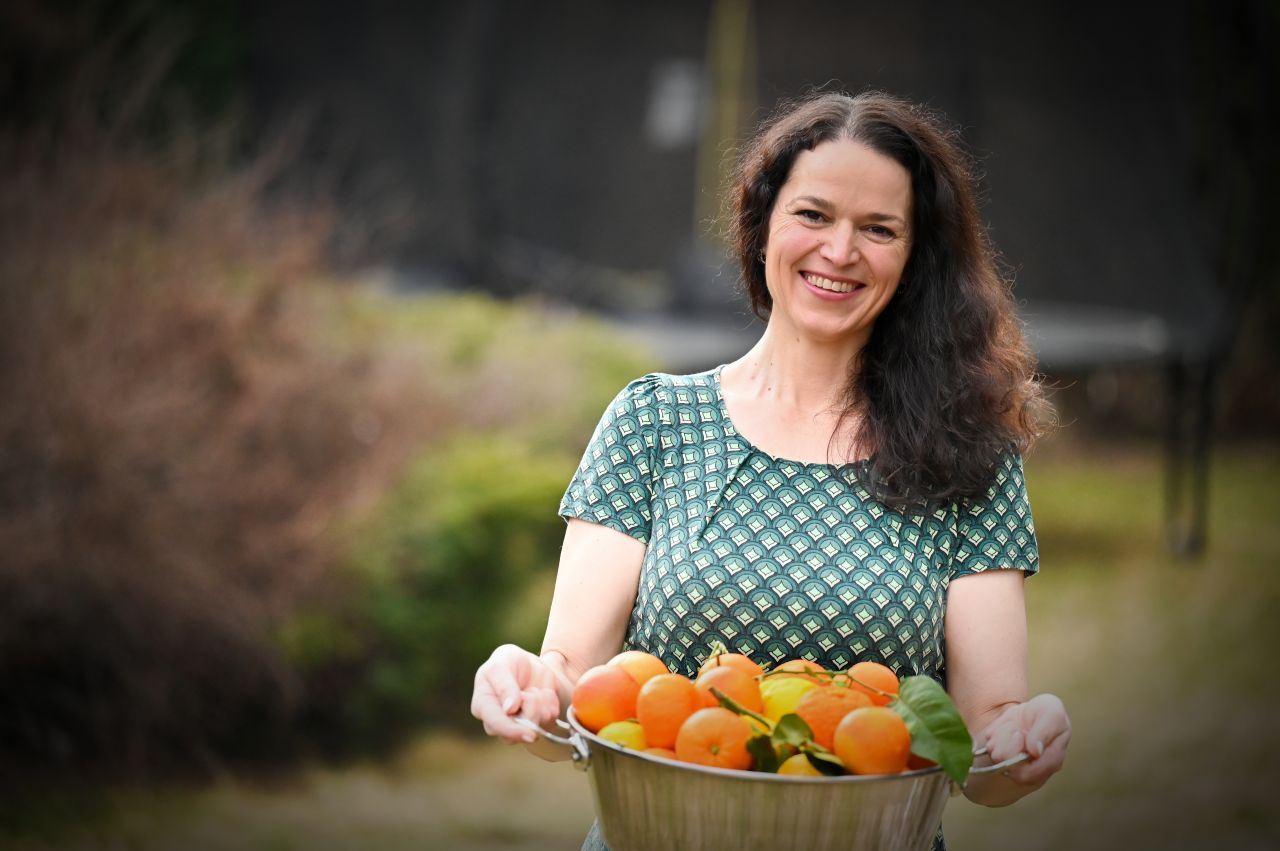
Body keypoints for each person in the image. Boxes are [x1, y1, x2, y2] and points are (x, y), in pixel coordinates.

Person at [471, 90, 1071, 847]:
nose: (840, 250)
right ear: (762, 227)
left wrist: (1026, 745)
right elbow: (575, 692)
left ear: (915, 257)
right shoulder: (653, 422)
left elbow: (983, 747)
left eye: (878, 228)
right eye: (813, 215)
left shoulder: (971, 452)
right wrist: (526, 685)